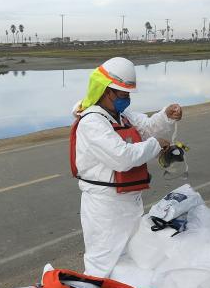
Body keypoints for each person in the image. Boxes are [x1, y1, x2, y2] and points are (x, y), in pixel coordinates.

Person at [70, 56, 183, 276]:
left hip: (130, 202)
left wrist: (165, 115)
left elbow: (147, 127)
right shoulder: (92, 122)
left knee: (131, 258)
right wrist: (155, 146)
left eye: (128, 94)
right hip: (105, 206)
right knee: (103, 263)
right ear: (106, 91)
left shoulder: (121, 115)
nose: (127, 99)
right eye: (123, 94)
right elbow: (122, 157)